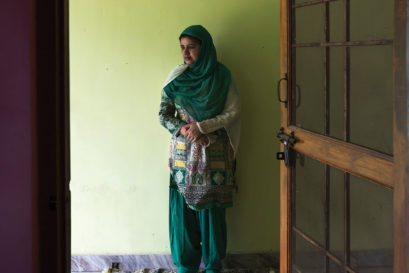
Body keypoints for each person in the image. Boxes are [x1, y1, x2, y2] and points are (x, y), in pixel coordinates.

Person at [159, 25, 240, 273]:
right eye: (182, 47)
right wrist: (186, 129)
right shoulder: (176, 77)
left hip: (214, 157)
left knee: (212, 215)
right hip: (183, 159)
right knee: (183, 215)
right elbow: (163, 115)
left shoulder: (222, 76)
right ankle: (186, 266)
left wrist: (203, 127)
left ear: (204, 48)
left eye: (191, 47)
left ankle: (214, 266)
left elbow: (233, 112)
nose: (185, 53)